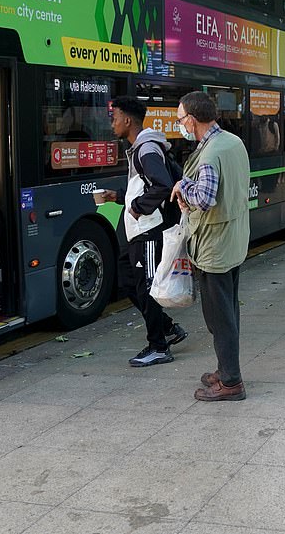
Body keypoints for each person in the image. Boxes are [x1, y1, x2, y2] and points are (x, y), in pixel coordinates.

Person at [171, 91, 250, 401]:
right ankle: (226, 368)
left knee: (220, 317)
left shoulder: (210, 154)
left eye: (180, 120)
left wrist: (182, 186)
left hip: (214, 246)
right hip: (233, 240)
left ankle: (231, 382)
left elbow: (204, 199)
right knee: (229, 311)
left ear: (192, 119)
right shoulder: (233, 142)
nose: (180, 125)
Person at [104, 96, 187, 367]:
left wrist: (138, 207)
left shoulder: (146, 149)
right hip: (138, 232)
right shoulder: (139, 148)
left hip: (149, 231)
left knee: (148, 288)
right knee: (128, 281)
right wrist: (118, 196)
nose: (112, 123)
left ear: (128, 120)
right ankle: (167, 328)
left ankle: (158, 347)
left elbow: (161, 185)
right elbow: (144, 184)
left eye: (114, 117)